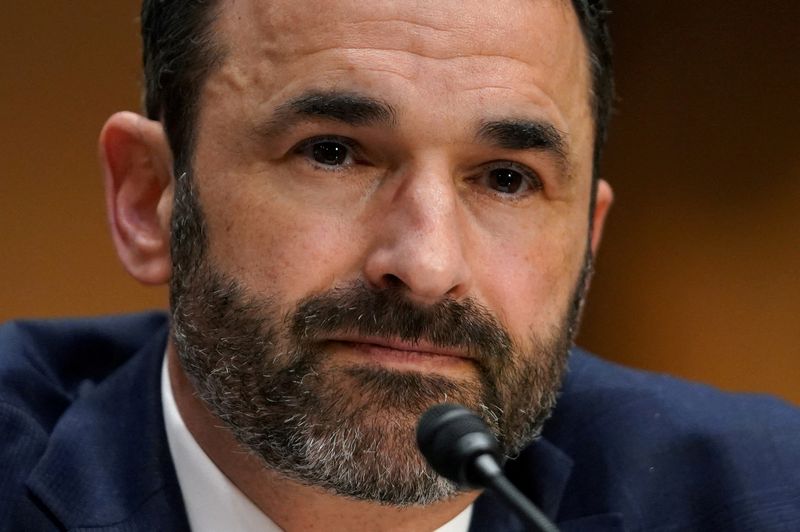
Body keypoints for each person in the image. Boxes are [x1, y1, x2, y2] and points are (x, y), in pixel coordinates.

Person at [1, 0, 798, 530]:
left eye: (507, 179)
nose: (425, 264)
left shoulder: (762, 495)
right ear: (150, 198)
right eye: (333, 154)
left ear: (587, 241)